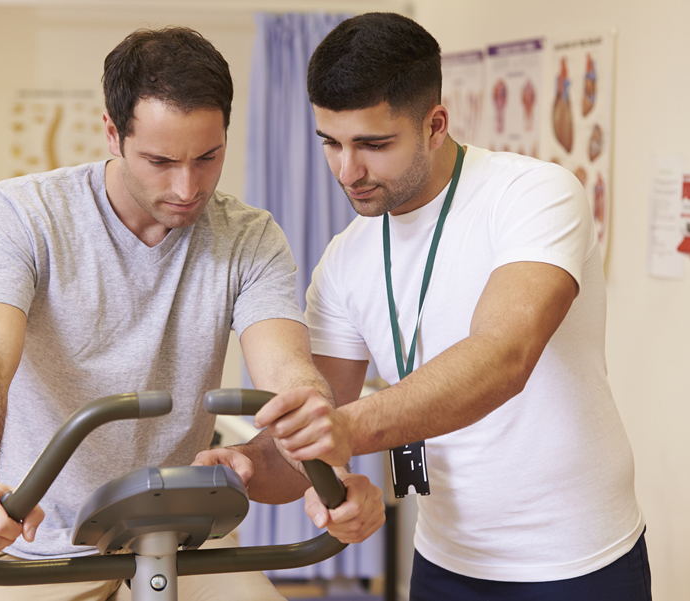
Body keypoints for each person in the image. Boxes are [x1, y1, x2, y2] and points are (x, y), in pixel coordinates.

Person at [0, 26, 384, 601]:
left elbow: (288, 375)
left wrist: (330, 469)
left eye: (208, 157)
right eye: (159, 160)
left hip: (182, 539)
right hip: (33, 547)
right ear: (111, 134)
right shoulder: (21, 215)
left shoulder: (248, 236)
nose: (187, 186)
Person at [255, 12, 651, 601]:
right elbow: (314, 426)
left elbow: (503, 356)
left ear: (435, 124)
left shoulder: (534, 196)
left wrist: (346, 430)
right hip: (445, 563)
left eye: (373, 144)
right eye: (331, 144)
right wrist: (246, 470)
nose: (348, 171)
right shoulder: (343, 261)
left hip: (577, 559)